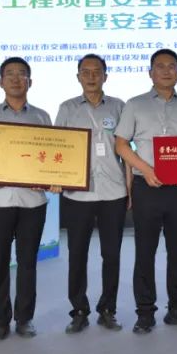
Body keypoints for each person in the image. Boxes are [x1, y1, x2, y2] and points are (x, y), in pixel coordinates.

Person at [115, 49, 177, 334]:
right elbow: (121, 144)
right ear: (150, 72)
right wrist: (145, 168)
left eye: (172, 66)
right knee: (145, 252)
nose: (166, 71)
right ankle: (145, 312)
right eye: (160, 66)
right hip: (147, 187)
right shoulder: (135, 105)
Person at [0, 57, 50, 341]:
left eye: (21, 74)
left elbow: (50, 155)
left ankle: (25, 318)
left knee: (28, 262)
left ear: (30, 81)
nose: (16, 79)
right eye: (10, 74)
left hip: (33, 201)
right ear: (0, 82)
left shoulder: (41, 117)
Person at [54, 54, 128, 334]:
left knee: (112, 254)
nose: (91, 76)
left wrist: (130, 188)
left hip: (113, 191)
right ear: (78, 77)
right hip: (78, 193)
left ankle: (108, 309)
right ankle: (79, 310)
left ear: (106, 76)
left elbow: (125, 150)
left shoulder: (119, 107)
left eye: (97, 71)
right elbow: (58, 148)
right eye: (85, 72)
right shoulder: (67, 108)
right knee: (77, 254)